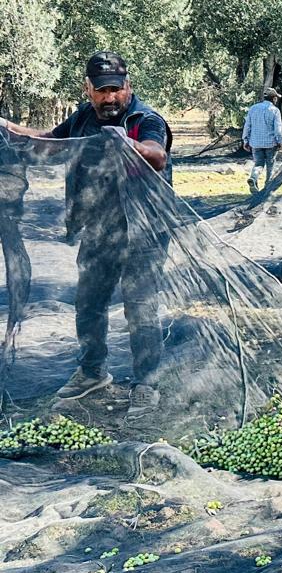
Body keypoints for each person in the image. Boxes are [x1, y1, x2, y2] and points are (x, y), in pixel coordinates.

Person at [0, 52, 172, 419]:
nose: (110, 98)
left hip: (145, 231)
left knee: (140, 306)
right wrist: (8, 129)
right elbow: (47, 142)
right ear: (88, 90)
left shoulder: (144, 119)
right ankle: (93, 372)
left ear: (128, 86)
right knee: (89, 302)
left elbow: (157, 155)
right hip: (100, 229)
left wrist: (129, 145)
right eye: (102, 90)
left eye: (116, 89)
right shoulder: (82, 118)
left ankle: (146, 383)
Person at [243, 90, 282, 194]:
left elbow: (247, 125)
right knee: (270, 166)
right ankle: (268, 189)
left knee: (259, 164)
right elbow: (278, 129)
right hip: (271, 144)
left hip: (255, 143)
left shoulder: (253, 109)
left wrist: (245, 140)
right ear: (274, 99)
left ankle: (254, 177)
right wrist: (280, 141)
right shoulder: (274, 110)